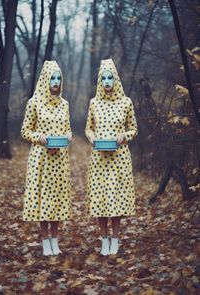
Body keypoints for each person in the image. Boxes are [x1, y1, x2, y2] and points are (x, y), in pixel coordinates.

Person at [85, 58, 138, 255]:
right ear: (100, 81)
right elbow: (88, 127)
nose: (107, 81)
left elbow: (134, 128)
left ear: (115, 80)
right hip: (99, 158)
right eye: (103, 78)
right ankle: (104, 240)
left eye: (110, 78)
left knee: (116, 199)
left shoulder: (126, 102)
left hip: (119, 158)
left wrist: (126, 136)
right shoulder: (94, 102)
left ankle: (115, 239)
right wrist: (91, 137)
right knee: (101, 199)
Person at [21, 60, 72, 256]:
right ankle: (45, 241)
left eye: (59, 78)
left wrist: (69, 135)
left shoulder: (64, 104)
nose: (56, 81)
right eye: (52, 78)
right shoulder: (33, 102)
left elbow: (67, 127)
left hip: (59, 159)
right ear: (45, 79)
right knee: (44, 199)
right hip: (41, 158)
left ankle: (55, 240)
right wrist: (37, 137)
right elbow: (25, 131)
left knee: (57, 198)